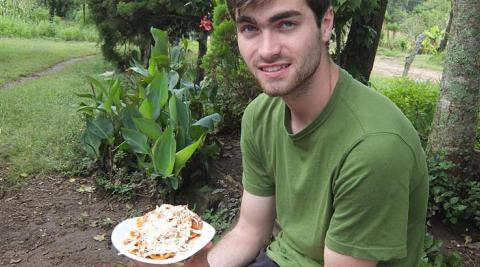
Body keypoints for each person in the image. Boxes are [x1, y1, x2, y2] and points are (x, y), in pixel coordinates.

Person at [135, 0, 429, 266]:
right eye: (249, 27)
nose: (266, 50)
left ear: (325, 24)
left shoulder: (374, 146)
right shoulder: (260, 116)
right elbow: (251, 231)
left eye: (286, 24)